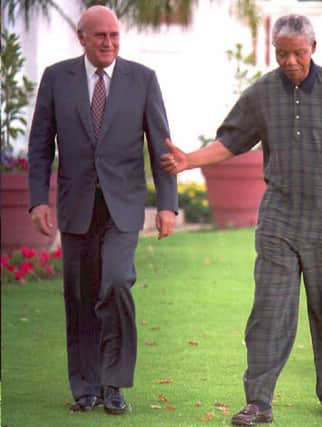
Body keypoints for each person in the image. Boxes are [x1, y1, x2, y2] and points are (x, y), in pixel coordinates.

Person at [160, 14, 322, 425]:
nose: (290, 61)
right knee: (269, 310)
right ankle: (258, 401)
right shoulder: (261, 93)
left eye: (297, 53)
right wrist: (189, 160)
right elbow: (230, 140)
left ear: (312, 49)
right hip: (280, 219)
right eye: (282, 54)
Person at [28, 5, 177, 415]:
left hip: (123, 207)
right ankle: (86, 387)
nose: (109, 43)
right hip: (75, 206)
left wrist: (167, 205)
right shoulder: (57, 78)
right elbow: (40, 143)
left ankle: (114, 383)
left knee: (115, 284)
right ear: (82, 38)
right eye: (101, 37)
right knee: (79, 296)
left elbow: (161, 147)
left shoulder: (142, 79)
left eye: (114, 35)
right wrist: (38, 199)